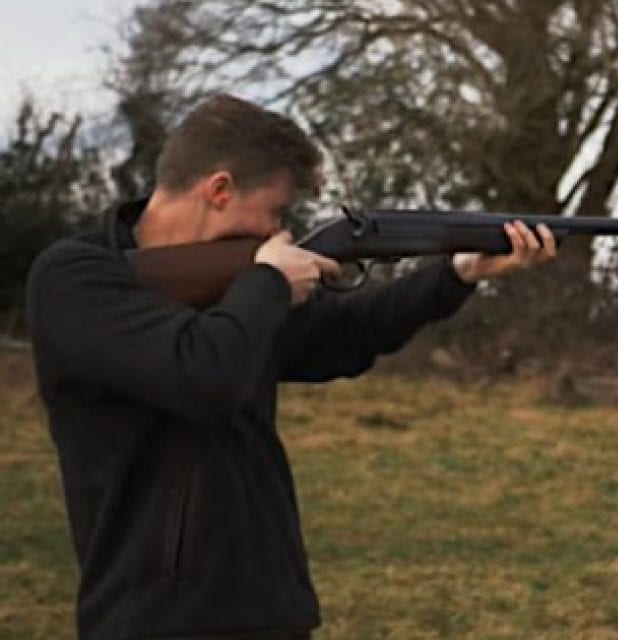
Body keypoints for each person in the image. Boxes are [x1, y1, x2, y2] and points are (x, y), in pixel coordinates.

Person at [25, 94, 557, 640]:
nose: (280, 231)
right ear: (220, 190)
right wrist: (269, 283)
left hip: (272, 613)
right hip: (155, 621)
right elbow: (203, 377)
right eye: (276, 212)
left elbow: (344, 335)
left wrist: (456, 273)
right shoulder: (77, 279)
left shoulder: (239, 293)